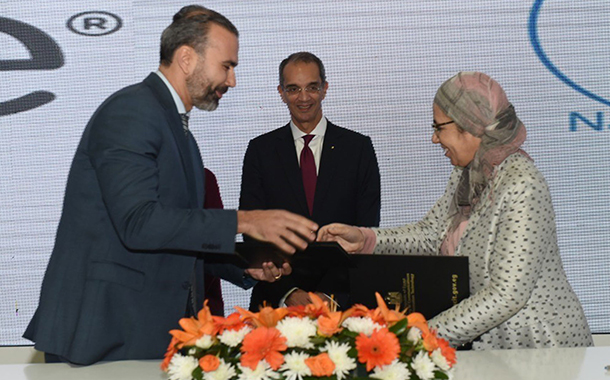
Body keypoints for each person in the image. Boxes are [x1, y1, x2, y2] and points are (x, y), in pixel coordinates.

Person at [23, 5, 318, 365]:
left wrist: (245, 264)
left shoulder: (176, 129)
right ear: (186, 58)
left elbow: (177, 230)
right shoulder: (132, 111)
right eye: (227, 66)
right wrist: (247, 220)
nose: (232, 80)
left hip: (143, 333)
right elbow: (139, 223)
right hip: (106, 334)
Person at [318, 72, 593, 349]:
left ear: (469, 126)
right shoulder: (468, 173)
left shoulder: (522, 185)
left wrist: (417, 337)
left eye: (439, 127)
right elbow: (430, 235)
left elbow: (506, 295)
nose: (434, 139)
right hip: (489, 349)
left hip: (538, 351)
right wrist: (366, 239)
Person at [240, 52, 380, 310]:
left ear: (325, 89)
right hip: (275, 302)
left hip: (345, 303)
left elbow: (366, 230)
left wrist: (329, 294)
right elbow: (253, 232)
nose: (303, 98)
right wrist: (289, 292)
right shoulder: (260, 151)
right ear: (281, 92)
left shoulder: (358, 149)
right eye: (293, 89)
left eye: (312, 87)